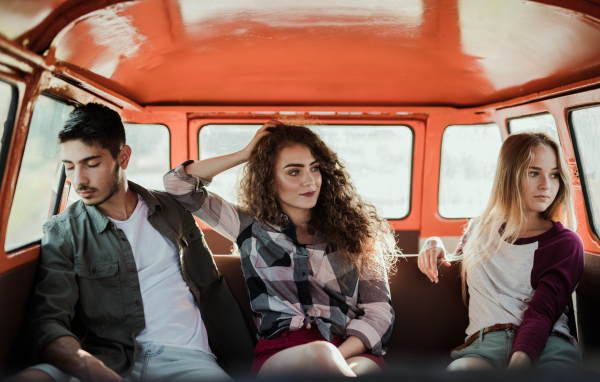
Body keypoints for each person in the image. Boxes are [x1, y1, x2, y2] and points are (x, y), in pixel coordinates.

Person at [13, 103, 254, 382]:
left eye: (92, 164)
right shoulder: (63, 230)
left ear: (123, 157)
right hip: (108, 359)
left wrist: (244, 362)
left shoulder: (172, 208)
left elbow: (212, 287)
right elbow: (48, 321)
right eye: (69, 167)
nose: (78, 181)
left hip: (187, 359)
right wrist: (89, 367)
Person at [163, 120, 399, 377]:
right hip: (280, 352)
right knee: (321, 355)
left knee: (338, 363)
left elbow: (379, 312)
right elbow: (178, 184)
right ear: (269, 179)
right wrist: (245, 154)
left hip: (351, 351)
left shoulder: (359, 232)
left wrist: (335, 359)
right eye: (294, 172)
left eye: (315, 168)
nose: (310, 181)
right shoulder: (248, 227)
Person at [418, 132, 583, 370]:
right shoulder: (480, 228)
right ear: (509, 176)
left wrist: (516, 369)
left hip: (548, 344)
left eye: (554, 174)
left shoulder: (565, 244)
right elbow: (457, 263)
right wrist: (434, 242)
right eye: (533, 172)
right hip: (485, 345)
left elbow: (541, 314)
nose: (546, 185)